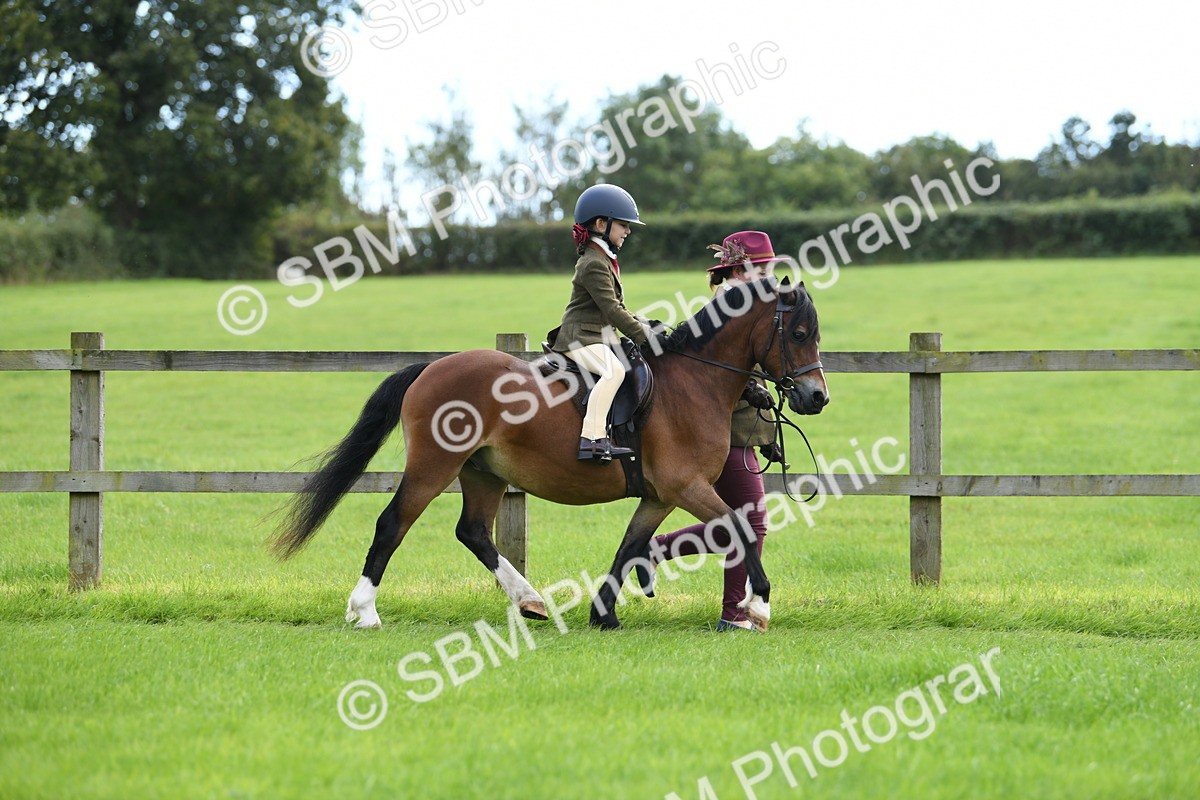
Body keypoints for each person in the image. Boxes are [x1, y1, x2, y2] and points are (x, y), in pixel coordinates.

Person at [636, 231, 784, 631]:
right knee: (749, 525)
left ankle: (656, 551)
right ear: (739, 269)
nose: (770, 275)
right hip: (724, 431)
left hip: (740, 429)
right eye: (764, 268)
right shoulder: (727, 307)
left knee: (739, 524)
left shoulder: (749, 306)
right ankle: (734, 614)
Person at [550, 183, 668, 463]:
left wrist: (648, 325)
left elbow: (620, 309)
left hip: (597, 336)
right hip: (580, 338)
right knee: (613, 372)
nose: (628, 231)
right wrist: (644, 336)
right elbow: (613, 310)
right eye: (623, 225)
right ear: (602, 224)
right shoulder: (592, 263)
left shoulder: (604, 259)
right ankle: (591, 439)